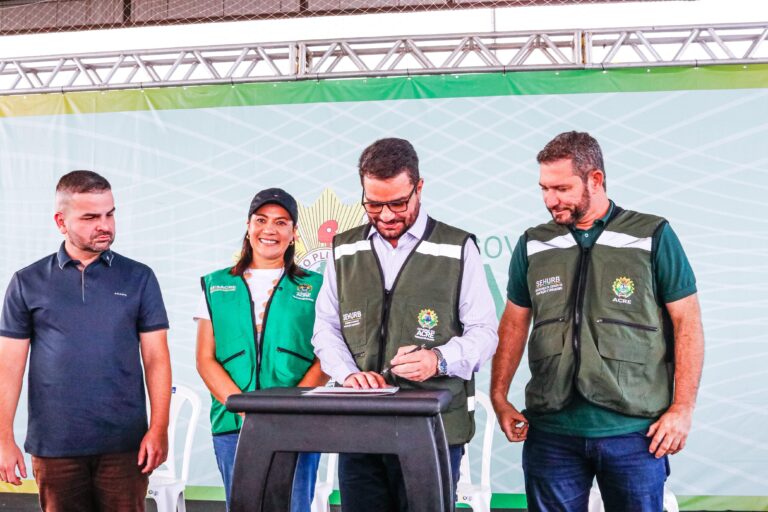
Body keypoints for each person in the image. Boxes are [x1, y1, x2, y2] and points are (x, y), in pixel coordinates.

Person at [491, 131, 705, 511]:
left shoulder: (652, 235)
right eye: (544, 189)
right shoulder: (533, 244)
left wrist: (682, 408)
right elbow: (513, 323)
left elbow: (686, 322)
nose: (550, 200)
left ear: (595, 179)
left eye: (562, 188)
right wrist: (499, 395)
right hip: (551, 434)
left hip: (634, 434)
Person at [311, 137, 498, 511]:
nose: (386, 216)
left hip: (433, 428)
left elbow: (484, 333)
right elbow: (326, 328)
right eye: (373, 204)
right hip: (360, 428)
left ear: (419, 188)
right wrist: (348, 374)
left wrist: (438, 360)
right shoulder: (343, 249)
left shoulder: (457, 247)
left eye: (398, 203)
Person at [0, 170, 172, 511]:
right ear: (60, 222)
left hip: (125, 445)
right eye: (90, 217)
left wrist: (159, 428)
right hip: (55, 445)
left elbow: (156, 359)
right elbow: (8, 368)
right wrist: (4, 438)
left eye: (110, 214)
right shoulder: (27, 282)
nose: (104, 225)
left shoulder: (139, 277)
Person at [195, 187, 327, 511]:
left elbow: (326, 357)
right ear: (248, 226)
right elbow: (205, 359)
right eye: (261, 220)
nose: (270, 229)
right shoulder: (216, 284)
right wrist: (243, 408)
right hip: (233, 424)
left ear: (294, 233)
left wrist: (288, 408)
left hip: (296, 423)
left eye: (281, 222)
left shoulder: (317, 286)